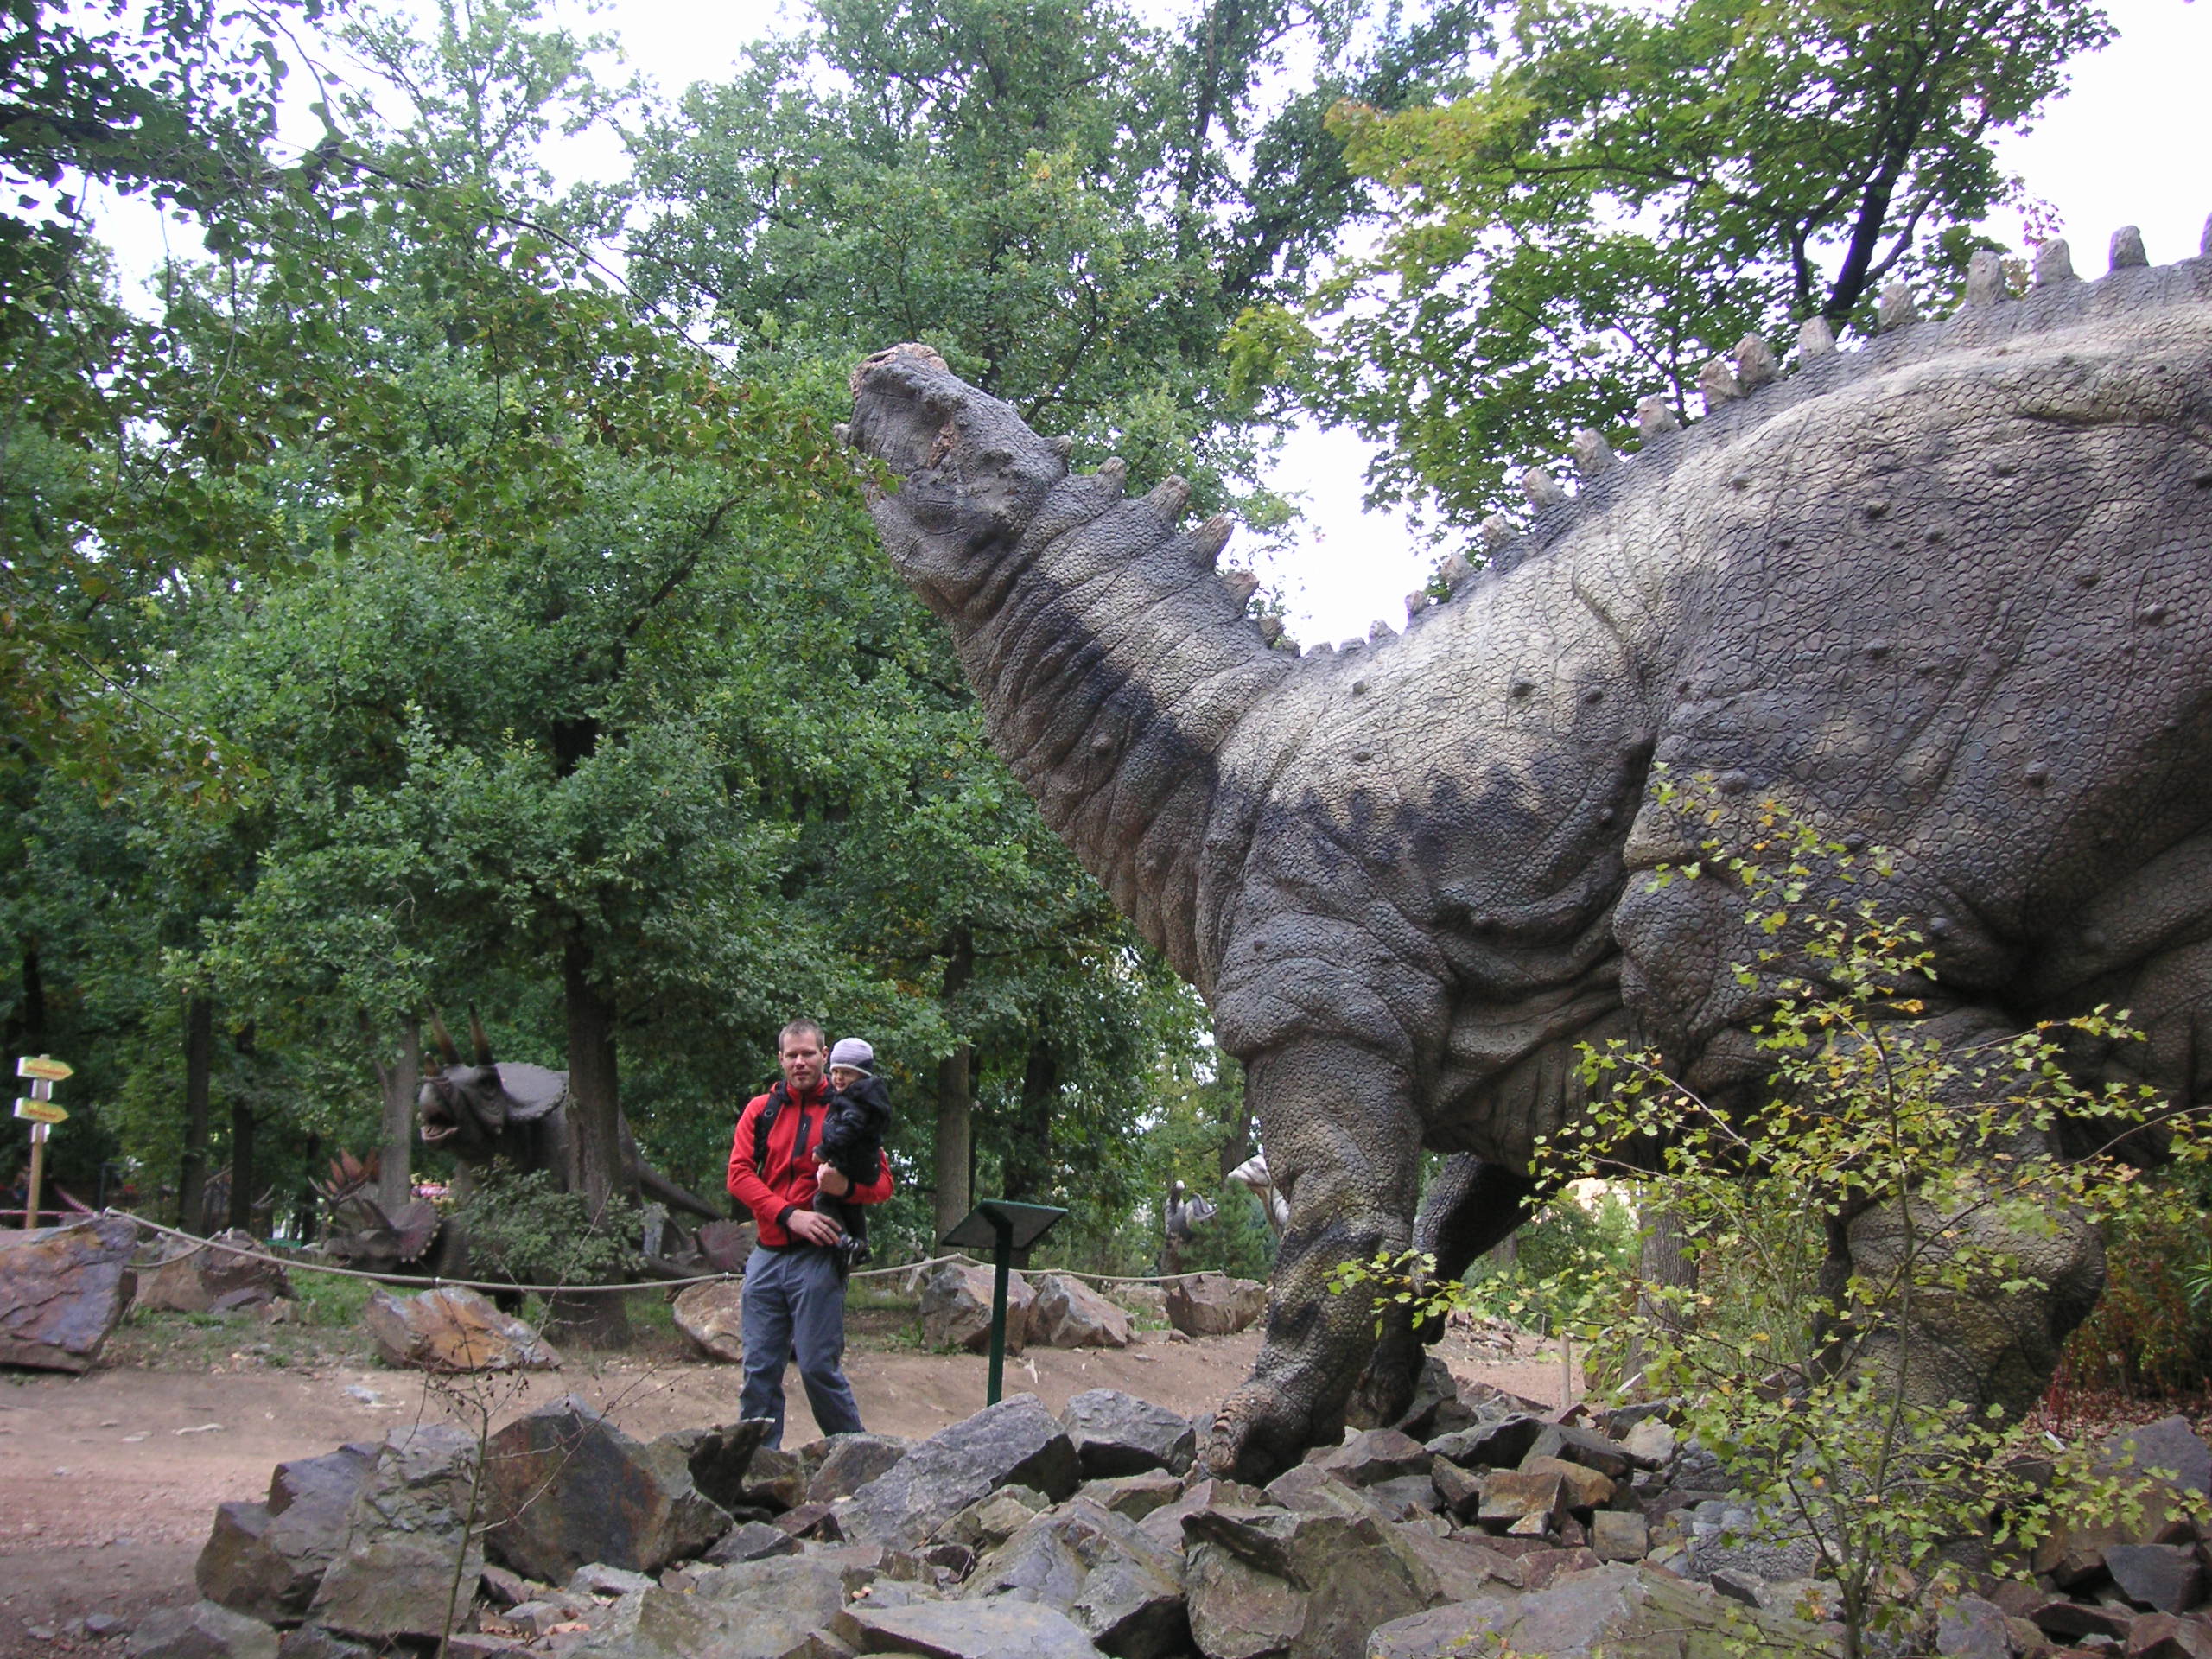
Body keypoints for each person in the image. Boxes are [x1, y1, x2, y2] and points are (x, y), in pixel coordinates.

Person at [727, 1019, 894, 1446]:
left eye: (808, 1053)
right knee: (759, 1368)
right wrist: (788, 1214)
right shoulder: (761, 1110)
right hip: (767, 1252)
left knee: (818, 1367)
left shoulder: (850, 1107)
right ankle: (758, 1465)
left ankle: (856, 1456)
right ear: (780, 1060)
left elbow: (883, 1184)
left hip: (818, 1255)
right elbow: (739, 1175)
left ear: (825, 1055)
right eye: (791, 1055)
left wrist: (846, 1190)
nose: (800, 1062)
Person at [813, 1036, 893, 1273]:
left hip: (853, 1163)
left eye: (846, 1073)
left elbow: (849, 1129)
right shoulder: (867, 1098)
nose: (838, 1078)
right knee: (851, 1206)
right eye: (835, 1071)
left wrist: (825, 1150)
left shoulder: (854, 1101)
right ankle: (861, 1245)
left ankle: (843, 1241)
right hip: (864, 1164)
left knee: (823, 1200)